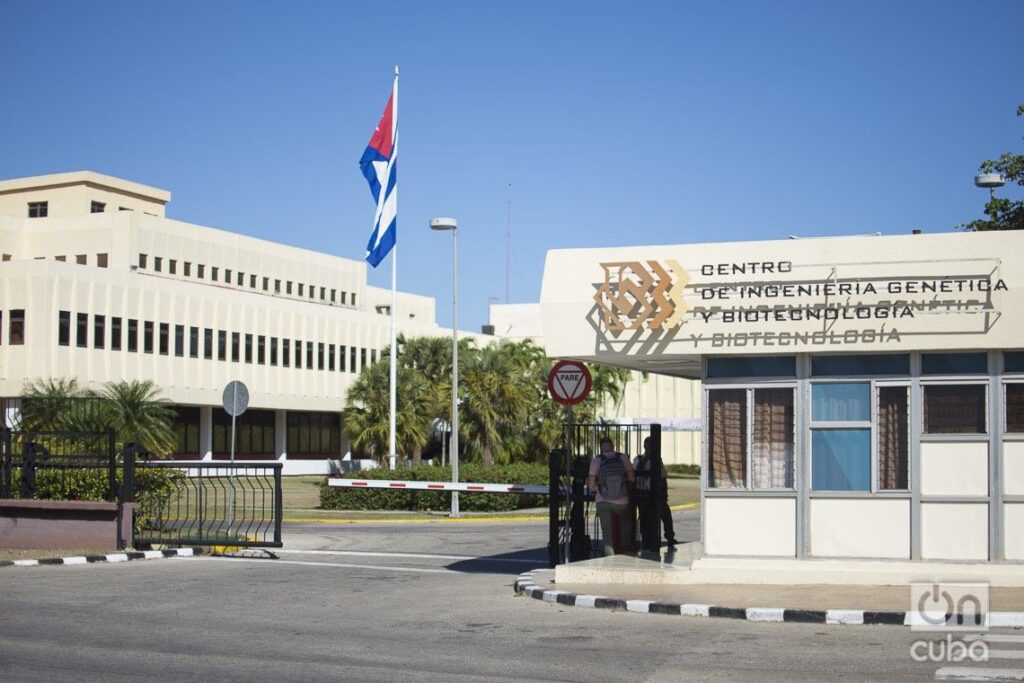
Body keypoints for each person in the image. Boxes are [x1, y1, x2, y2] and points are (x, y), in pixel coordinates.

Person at [587, 436, 636, 556]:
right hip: (622, 500)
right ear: (612, 446)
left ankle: (609, 555)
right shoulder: (622, 457)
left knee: (607, 531)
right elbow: (632, 478)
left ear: (601, 447)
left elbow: (591, 482)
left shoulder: (597, 460)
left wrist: (594, 489)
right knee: (625, 521)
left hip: (603, 500)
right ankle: (625, 548)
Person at [633, 436, 677, 550]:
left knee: (665, 515)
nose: (650, 449)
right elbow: (638, 469)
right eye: (648, 446)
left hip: (657, 493)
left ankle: (670, 537)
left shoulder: (658, 460)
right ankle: (645, 539)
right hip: (643, 493)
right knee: (644, 518)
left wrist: (665, 493)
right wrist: (647, 457)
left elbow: (663, 477)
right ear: (644, 446)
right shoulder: (638, 459)